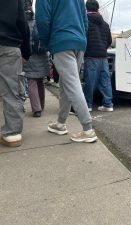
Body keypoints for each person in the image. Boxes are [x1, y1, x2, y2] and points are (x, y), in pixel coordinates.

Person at [36, 0, 98, 143]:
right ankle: (60, 123)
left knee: (72, 84)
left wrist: (46, 43)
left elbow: (43, 20)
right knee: (66, 83)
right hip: (79, 41)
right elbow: (84, 19)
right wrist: (82, 37)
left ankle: (87, 129)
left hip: (61, 40)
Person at [0, 0, 31, 147]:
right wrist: (26, 52)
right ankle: (12, 133)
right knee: (12, 90)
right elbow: (22, 23)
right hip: (9, 45)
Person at [83, 0, 113, 112]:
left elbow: (83, 38)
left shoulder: (85, 21)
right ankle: (108, 104)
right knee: (105, 81)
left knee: (90, 81)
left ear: (86, 8)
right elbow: (109, 41)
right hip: (103, 56)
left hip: (90, 55)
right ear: (97, 8)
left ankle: (88, 105)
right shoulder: (105, 24)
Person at [23, 16, 49, 118]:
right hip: (42, 56)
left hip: (30, 56)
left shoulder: (24, 23)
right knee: (40, 81)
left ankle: (36, 109)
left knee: (31, 82)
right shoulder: (39, 21)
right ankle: (41, 106)